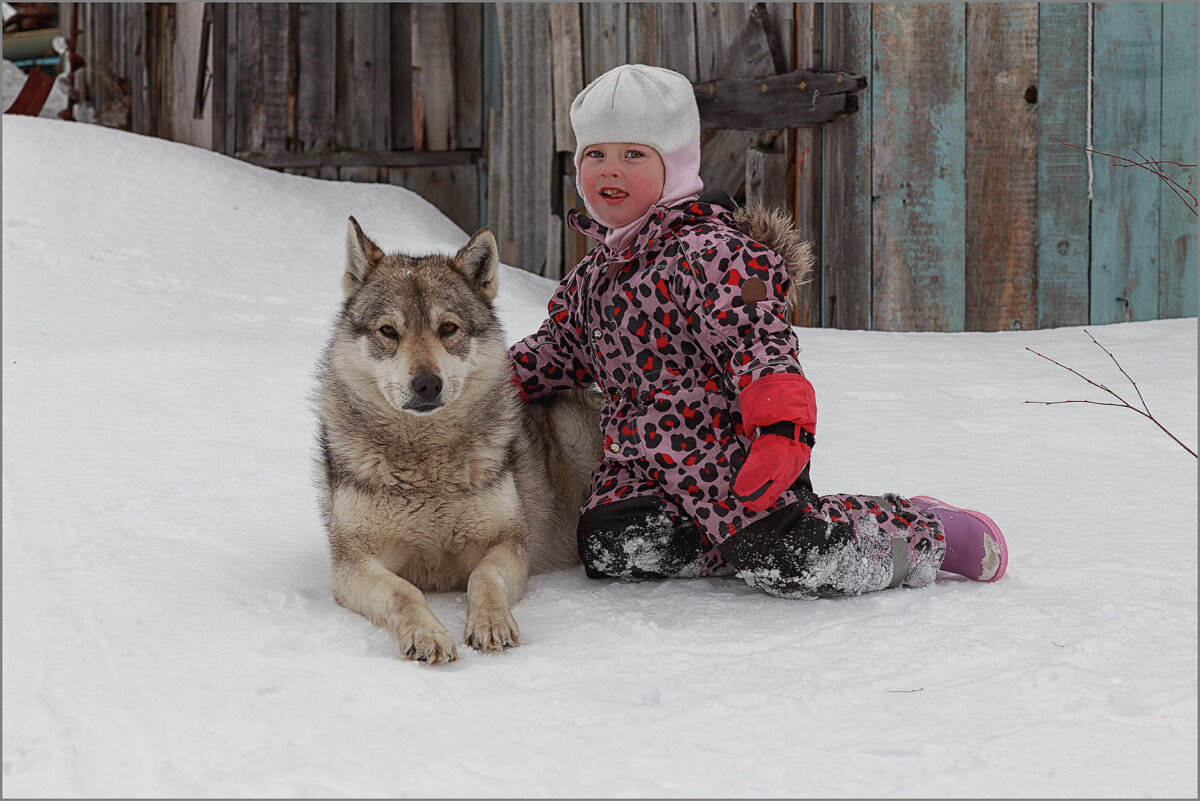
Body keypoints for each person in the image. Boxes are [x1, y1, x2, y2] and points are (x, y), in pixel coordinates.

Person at [508, 64, 1007, 598]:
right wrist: (487, 382)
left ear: (674, 165)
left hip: (725, 457)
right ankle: (733, 546)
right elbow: (558, 353)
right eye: (595, 154)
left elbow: (758, 345)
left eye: (634, 154)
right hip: (638, 464)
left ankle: (919, 531)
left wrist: (783, 427)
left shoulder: (710, 254)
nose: (611, 170)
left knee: (794, 558)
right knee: (612, 548)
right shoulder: (593, 277)